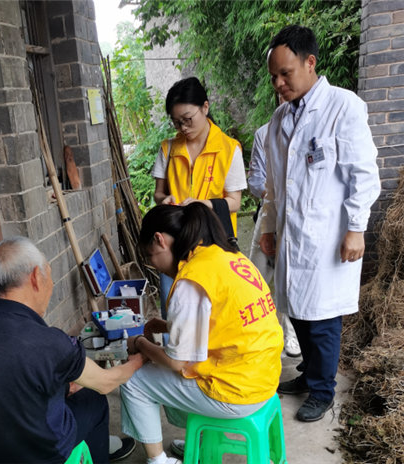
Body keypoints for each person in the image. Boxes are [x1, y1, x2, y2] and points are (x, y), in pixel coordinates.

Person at [260, 25, 381, 422]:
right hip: (292, 236)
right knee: (296, 309)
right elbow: (274, 185)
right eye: (274, 76)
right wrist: (268, 227)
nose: (278, 84)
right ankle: (310, 375)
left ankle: (323, 390)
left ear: (310, 62)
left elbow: (364, 175)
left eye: (285, 73)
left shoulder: (343, 107)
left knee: (323, 319)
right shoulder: (279, 118)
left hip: (328, 236)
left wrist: (356, 228)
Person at [0, 236, 144, 464]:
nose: (51, 284)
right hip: (42, 455)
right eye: (49, 275)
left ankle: (91, 443)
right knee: (94, 400)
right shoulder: (50, 342)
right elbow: (106, 382)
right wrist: (139, 358)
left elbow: (8, 373)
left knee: (68, 389)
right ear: (35, 277)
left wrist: (64, 386)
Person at [120, 203, 283, 464]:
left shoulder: (192, 279)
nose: (154, 265)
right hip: (263, 376)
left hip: (236, 391)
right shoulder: (229, 258)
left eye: (150, 256)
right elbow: (222, 323)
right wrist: (165, 326)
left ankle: (158, 461)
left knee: (134, 380)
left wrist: (140, 343)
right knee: (173, 371)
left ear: (160, 240)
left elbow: (177, 362)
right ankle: (203, 437)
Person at [152, 77, 247, 319]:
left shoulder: (229, 149)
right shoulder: (168, 149)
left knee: (213, 311)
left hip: (212, 241)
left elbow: (235, 202)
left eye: (187, 119)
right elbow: (158, 193)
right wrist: (164, 200)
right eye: (176, 122)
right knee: (174, 309)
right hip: (175, 242)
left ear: (205, 107)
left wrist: (204, 204)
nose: (183, 128)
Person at [248, 95, 301, 358]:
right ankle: (255, 331)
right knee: (254, 274)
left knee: (289, 278)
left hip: (298, 218)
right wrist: (273, 194)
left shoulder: (311, 129)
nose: (282, 90)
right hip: (269, 211)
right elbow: (255, 178)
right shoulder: (264, 133)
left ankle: (290, 334)